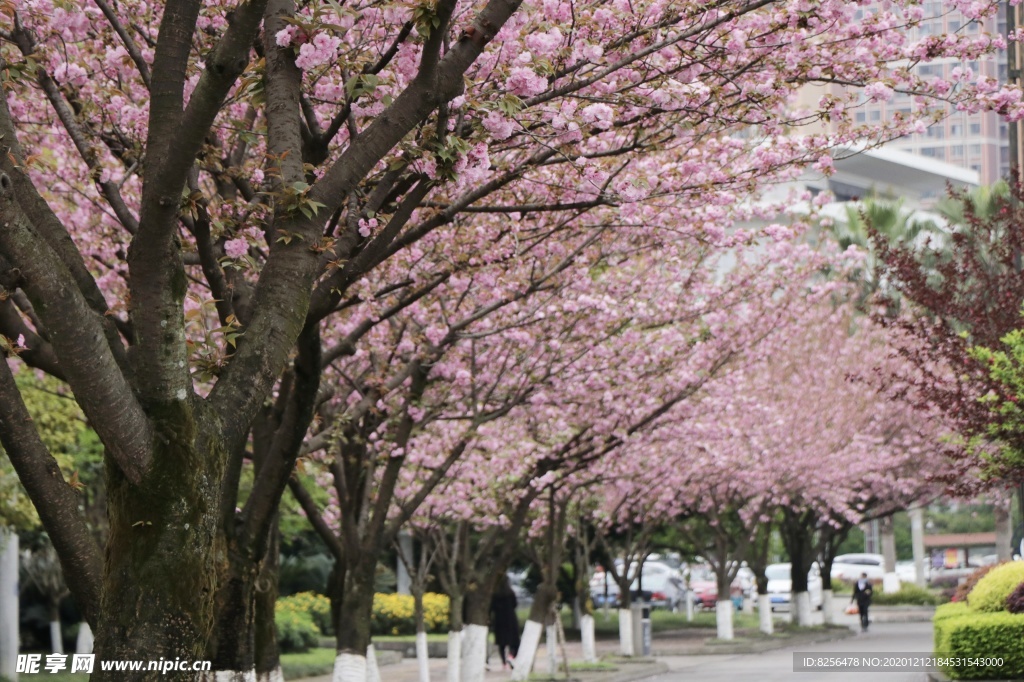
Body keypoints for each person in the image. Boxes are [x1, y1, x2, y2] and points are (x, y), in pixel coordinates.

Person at [491, 576, 520, 670]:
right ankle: (511, 656)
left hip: (499, 621)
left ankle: (504, 663)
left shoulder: (495, 595)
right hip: (511, 620)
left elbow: (492, 607)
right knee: (514, 641)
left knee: (501, 644)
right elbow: (515, 604)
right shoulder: (511, 593)